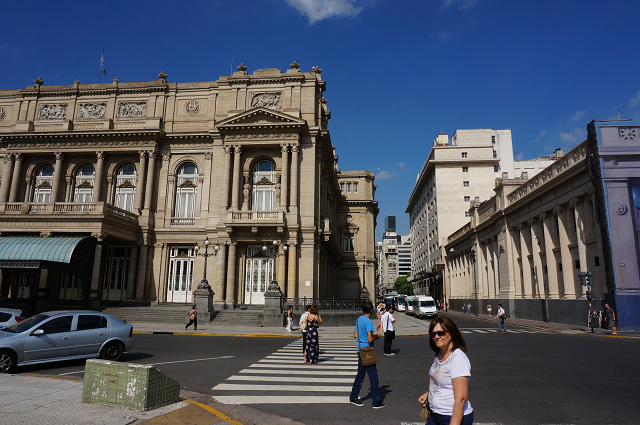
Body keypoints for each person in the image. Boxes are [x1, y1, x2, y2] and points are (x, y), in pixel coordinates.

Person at [418, 317, 473, 425]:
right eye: (433, 334)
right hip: (436, 415)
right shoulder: (440, 354)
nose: (436, 336)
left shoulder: (458, 358)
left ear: (452, 333)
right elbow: (441, 380)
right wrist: (429, 394)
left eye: (441, 333)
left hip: (451, 416)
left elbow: (461, 398)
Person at [349, 301, 385, 409]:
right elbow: (370, 339)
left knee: (360, 375)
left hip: (360, 350)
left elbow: (355, 334)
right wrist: (376, 336)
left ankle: (353, 397)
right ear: (371, 310)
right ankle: (376, 402)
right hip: (367, 351)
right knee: (373, 377)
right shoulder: (368, 322)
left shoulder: (359, 319)